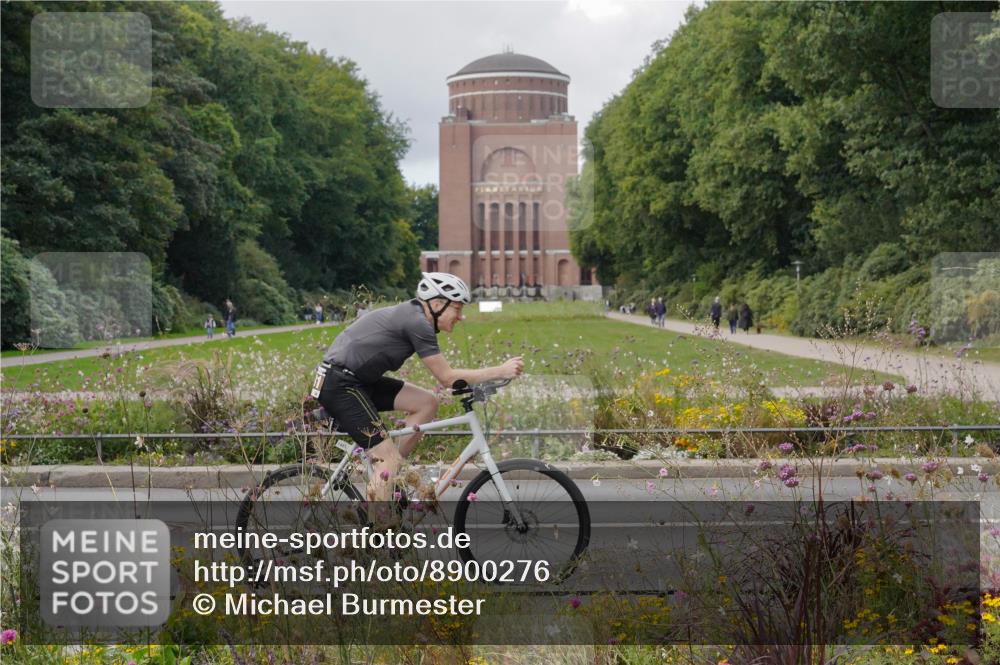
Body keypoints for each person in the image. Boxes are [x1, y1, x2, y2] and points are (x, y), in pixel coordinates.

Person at [314, 272, 523, 502]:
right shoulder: (417, 322)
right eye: (457, 308)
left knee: (427, 402)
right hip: (340, 383)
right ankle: (378, 520)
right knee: (387, 460)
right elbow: (446, 378)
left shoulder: (417, 317)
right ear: (437, 304)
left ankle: (391, 477)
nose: (460, 316)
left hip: (358, 381)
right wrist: (500, 370)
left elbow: (447, 381)